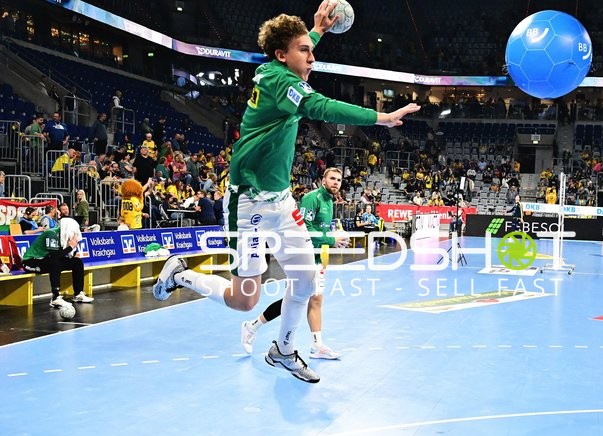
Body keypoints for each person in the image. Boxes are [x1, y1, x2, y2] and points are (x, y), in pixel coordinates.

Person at [151, 1, 420, 384]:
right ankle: (181, 275)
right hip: (248, 205)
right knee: (244, 301)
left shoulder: (280, 71)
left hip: (281, 201)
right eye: (304, 51)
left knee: (306, 281)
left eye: (310, 50)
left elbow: (299, 58)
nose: (312, 57)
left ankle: (283, 350)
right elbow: (320, 106)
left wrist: (318, 31)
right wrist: (382, 117)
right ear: (282, 55)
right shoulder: (283, 83)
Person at [241, 167, 350, 358]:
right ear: (323, 180)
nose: (335, 182)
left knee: (314, 300)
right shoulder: (312, 198)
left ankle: (317, 346)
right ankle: (252, 327)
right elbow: (305, 230)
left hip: (315, 258)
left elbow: (320, 231)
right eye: (332, 178)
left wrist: (328, 247)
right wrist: (333, 239)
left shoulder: (329, 201)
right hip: (300, 256)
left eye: (339, 180)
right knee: (293, 301)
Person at [21, 217, 94, 307]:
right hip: (31, 261)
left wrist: (73, 248)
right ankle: (55, 297)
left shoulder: (64, 237)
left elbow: (64, 255)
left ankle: (78, 294)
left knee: (77, 262)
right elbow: (54, 256)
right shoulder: (51, 234)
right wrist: (70, 247)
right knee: (55, 263)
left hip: (46, 260)